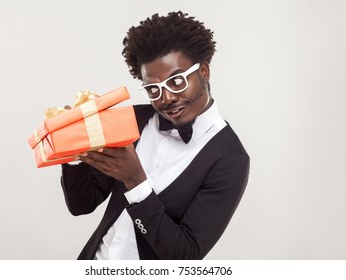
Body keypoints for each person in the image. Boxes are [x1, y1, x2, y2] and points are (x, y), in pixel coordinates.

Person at [61, 11, 250, 260]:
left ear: (203, 72)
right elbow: (81, 204)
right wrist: (74, 147)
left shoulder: (230, 159)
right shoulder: (135, 120)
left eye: (177, 81)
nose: (166, 98)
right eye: (153, 89)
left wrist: (136, 183)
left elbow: (186, 256)